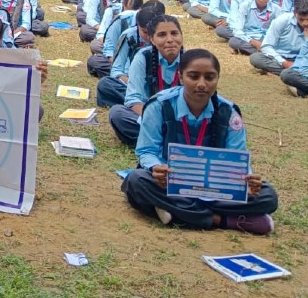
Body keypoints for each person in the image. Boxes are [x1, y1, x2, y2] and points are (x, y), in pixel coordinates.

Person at [123, 49, 275, 235]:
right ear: (181, 77)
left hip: (216, 186)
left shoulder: (228, 112)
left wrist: (247, 181)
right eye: (193, 76)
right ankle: (223, 220)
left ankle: (177, 212)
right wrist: (156, 168)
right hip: (171, 182)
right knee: (136, 181)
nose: (202, 84)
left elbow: (237, 157)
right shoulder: (160, 106)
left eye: (209, 77)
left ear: (217, 78)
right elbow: (146, 150)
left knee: (268, 196)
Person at [110, 14, 187, 147]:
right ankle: (170, 141)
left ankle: (158, 141)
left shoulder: (190, 60)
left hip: (182, 120)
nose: (170, 40)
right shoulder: (143, 57)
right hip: (150, 117)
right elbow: (133, 99)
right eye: (162, 35)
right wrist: (156, 119)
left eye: (174, 33)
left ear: (181, 36)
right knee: (117, 114)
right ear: (152, 39)